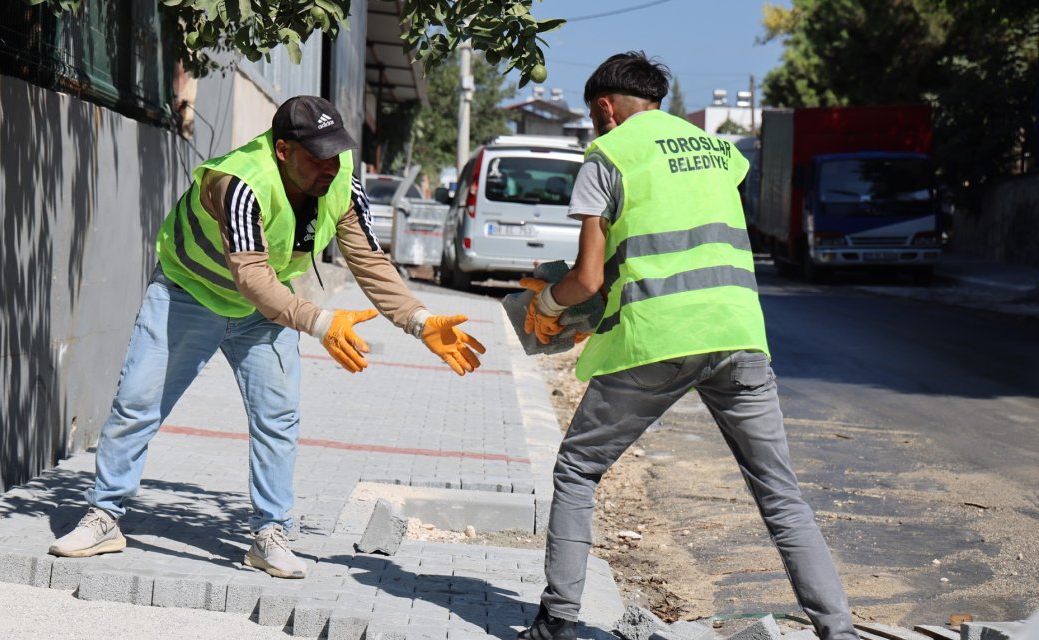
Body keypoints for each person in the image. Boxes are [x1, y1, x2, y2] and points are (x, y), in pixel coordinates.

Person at [48, 95, 487, 579]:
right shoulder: (240, 181)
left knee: (278, 419)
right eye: (317, 154)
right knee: (137, 402)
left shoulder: (342, 182)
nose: (330, 165)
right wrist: (319, 322)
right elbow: (251, 277)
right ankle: (105, 516)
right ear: (282, 150)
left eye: (336, 151)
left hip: (264, 314)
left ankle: (268, 533)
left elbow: (369, 261)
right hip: (188, 295)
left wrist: (418, 320)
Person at [516, 53, 858, 639]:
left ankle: (558, 624)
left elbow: (589, 279)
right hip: (739, 335)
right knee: (781, 496)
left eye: (595, 114)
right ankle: (840, 633)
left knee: (577, 470)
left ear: (605, 107)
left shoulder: (607, 154)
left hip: (659, 339)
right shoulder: (719, 152)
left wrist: (547, 305)